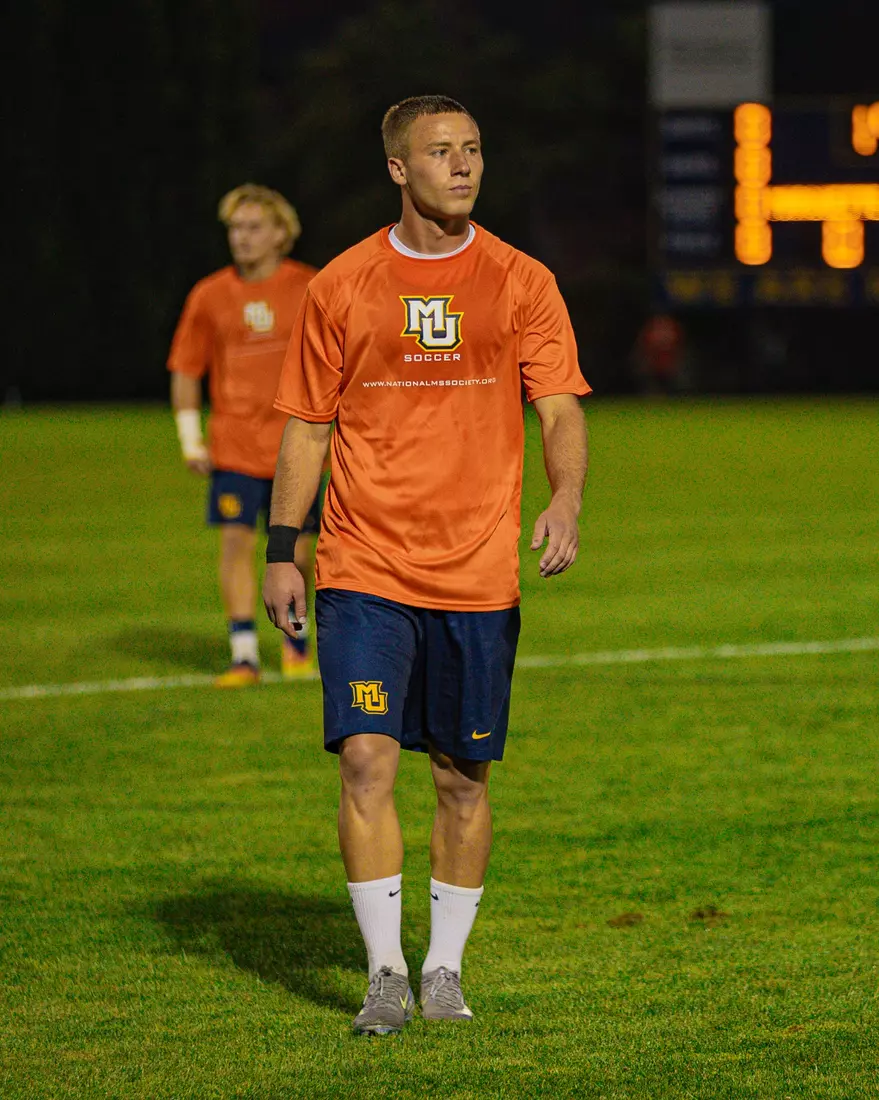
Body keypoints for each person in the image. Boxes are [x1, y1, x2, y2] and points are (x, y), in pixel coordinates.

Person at [263, 95, 590, 1035]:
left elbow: (559, 407)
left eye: (473, 148)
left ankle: (442, 970)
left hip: (477, 571)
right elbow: (307, 427)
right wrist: (284, 549)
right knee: (365, 759)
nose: (463, 164)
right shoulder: (343, 284)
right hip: (362, 564)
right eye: (441, 151)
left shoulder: (522, 280)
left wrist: (564, 497)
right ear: (398, 169)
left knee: (460, 777)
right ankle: (383, 975)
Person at [168, 183, 320, 686]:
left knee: (300, 552)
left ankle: (296, 642)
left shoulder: (311, 287)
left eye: (253, 227)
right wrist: (191, 439)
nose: (241, 237)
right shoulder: (210, 294)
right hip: (234, 447)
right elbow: (186, 368)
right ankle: (244, 655)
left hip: (298, 446)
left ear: (281, 233)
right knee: (236, 543)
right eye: (235, 228)